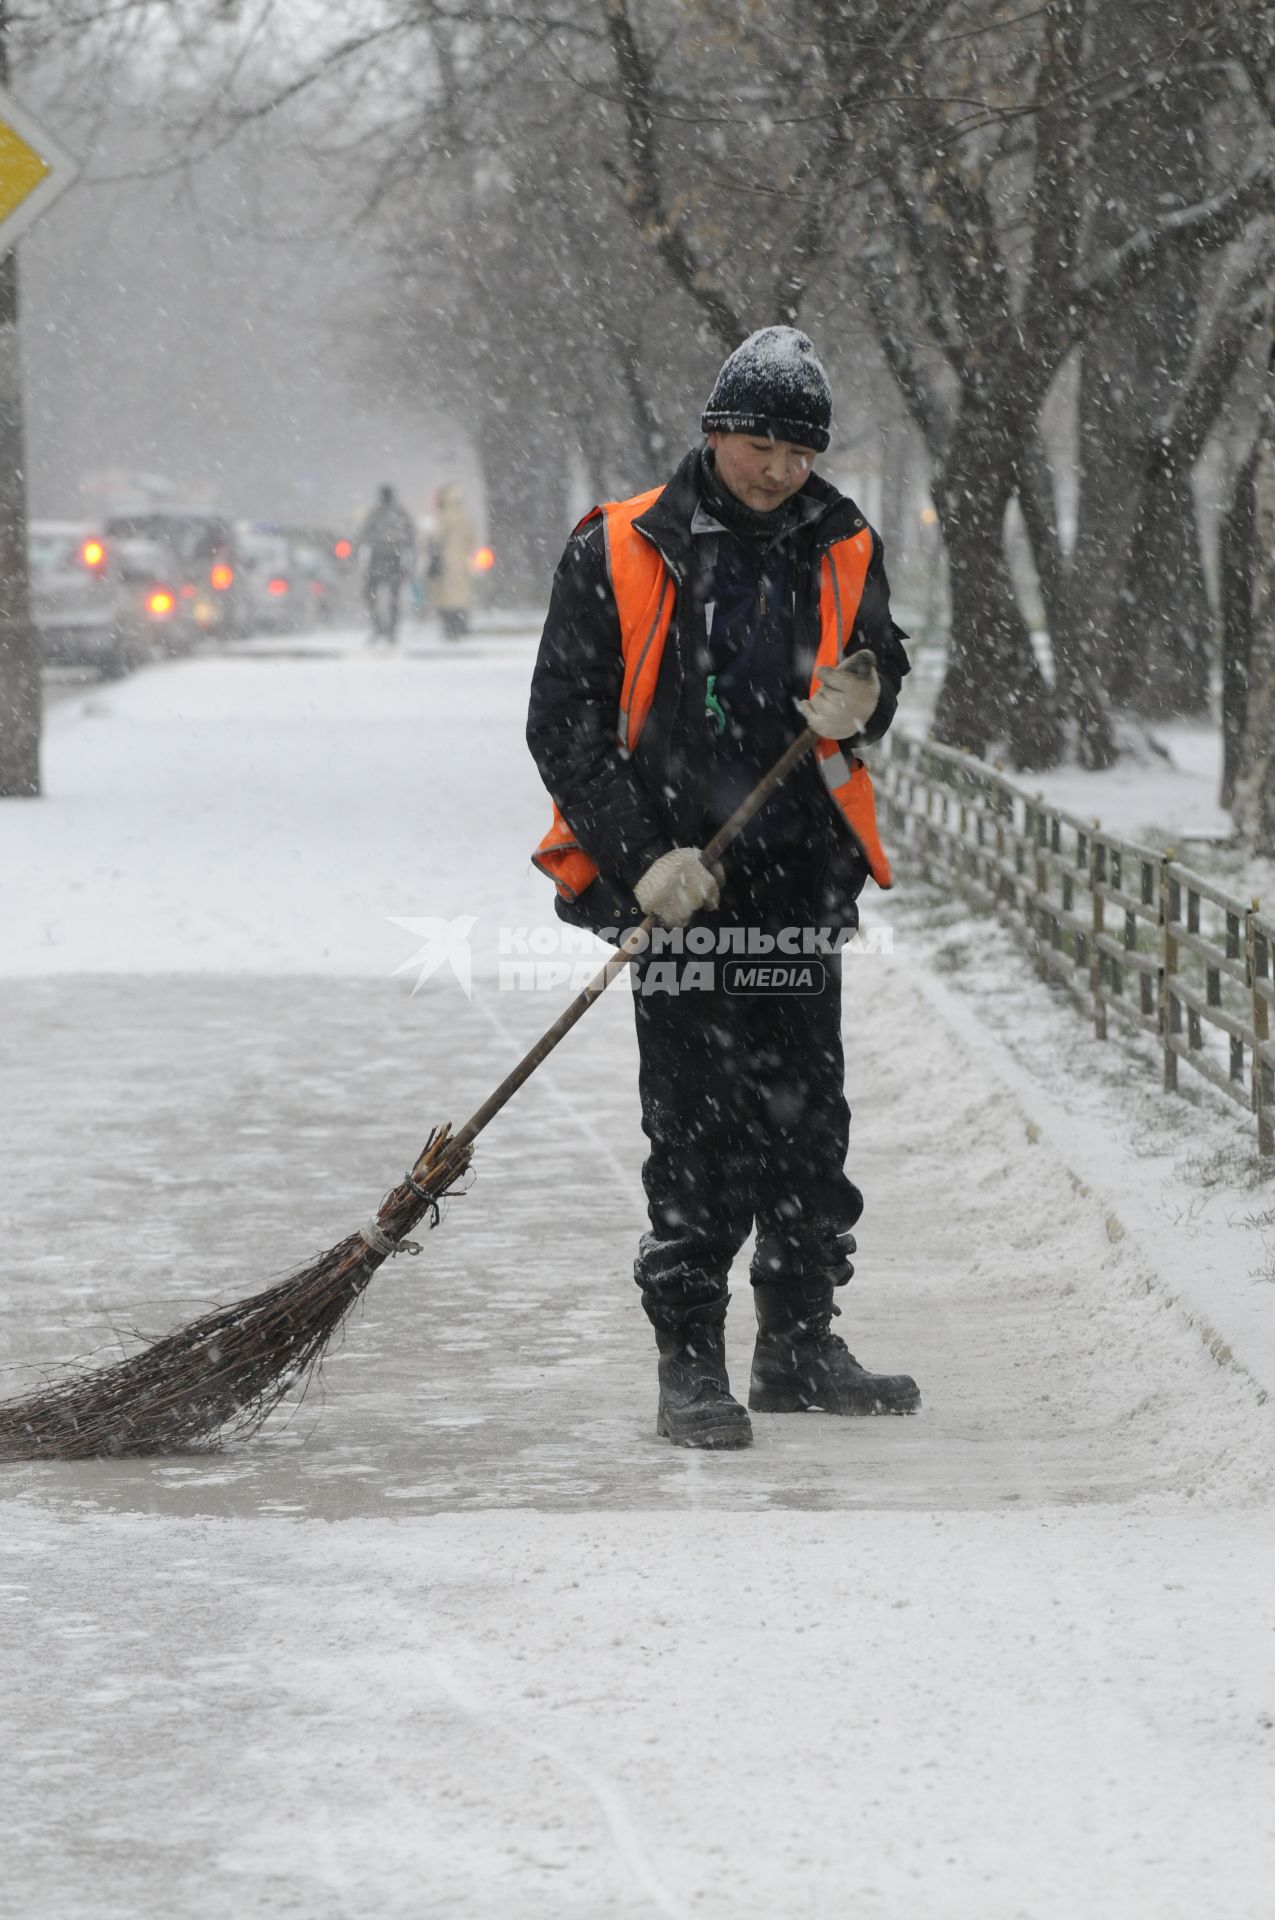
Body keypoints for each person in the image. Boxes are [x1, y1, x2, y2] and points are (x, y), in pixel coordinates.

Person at [526, 325, 921, 1451]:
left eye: (800, 452)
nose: (781, 470)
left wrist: (865, 690)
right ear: (715, 431)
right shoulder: (617, 545)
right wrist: (643, 856)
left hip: (798, 877)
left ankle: (799, 1345)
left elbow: (880, 658)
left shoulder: (840, 537)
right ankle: (689, 1361)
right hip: (677, 891)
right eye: (761, 444)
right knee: (698, 1127)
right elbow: (563, 723)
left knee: (808, 1125)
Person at [357, 484, 416, 644]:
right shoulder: (400, 513)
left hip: (377, 558)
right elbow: (411, 535)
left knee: (370, 595)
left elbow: (363, 534)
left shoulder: (375, 513)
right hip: (395, 558)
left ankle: (379, 628)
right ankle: (391, 631)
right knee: (394, 597)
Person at [428, 483, 478, 639]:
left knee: (446, 596)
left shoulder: (443, 516)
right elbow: (471, 540)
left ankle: (449, 628)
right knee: (462, 596)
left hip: (446, 561)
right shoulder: (465, 517)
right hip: (463, 561)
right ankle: (461, 624)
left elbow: (436, 537)